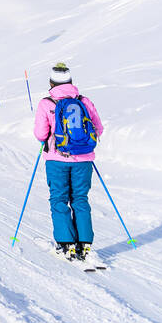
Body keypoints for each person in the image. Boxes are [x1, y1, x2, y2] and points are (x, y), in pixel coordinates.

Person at [33, 62, 104, 263]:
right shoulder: (84, 101)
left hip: (57, 160)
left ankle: (66, 245)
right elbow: (98, 129)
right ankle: (85, 245)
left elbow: (40, 133)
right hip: (83, 160)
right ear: (71, 81)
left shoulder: (46, 104)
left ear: (51, 82)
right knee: (80, 199)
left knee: (59, 199)